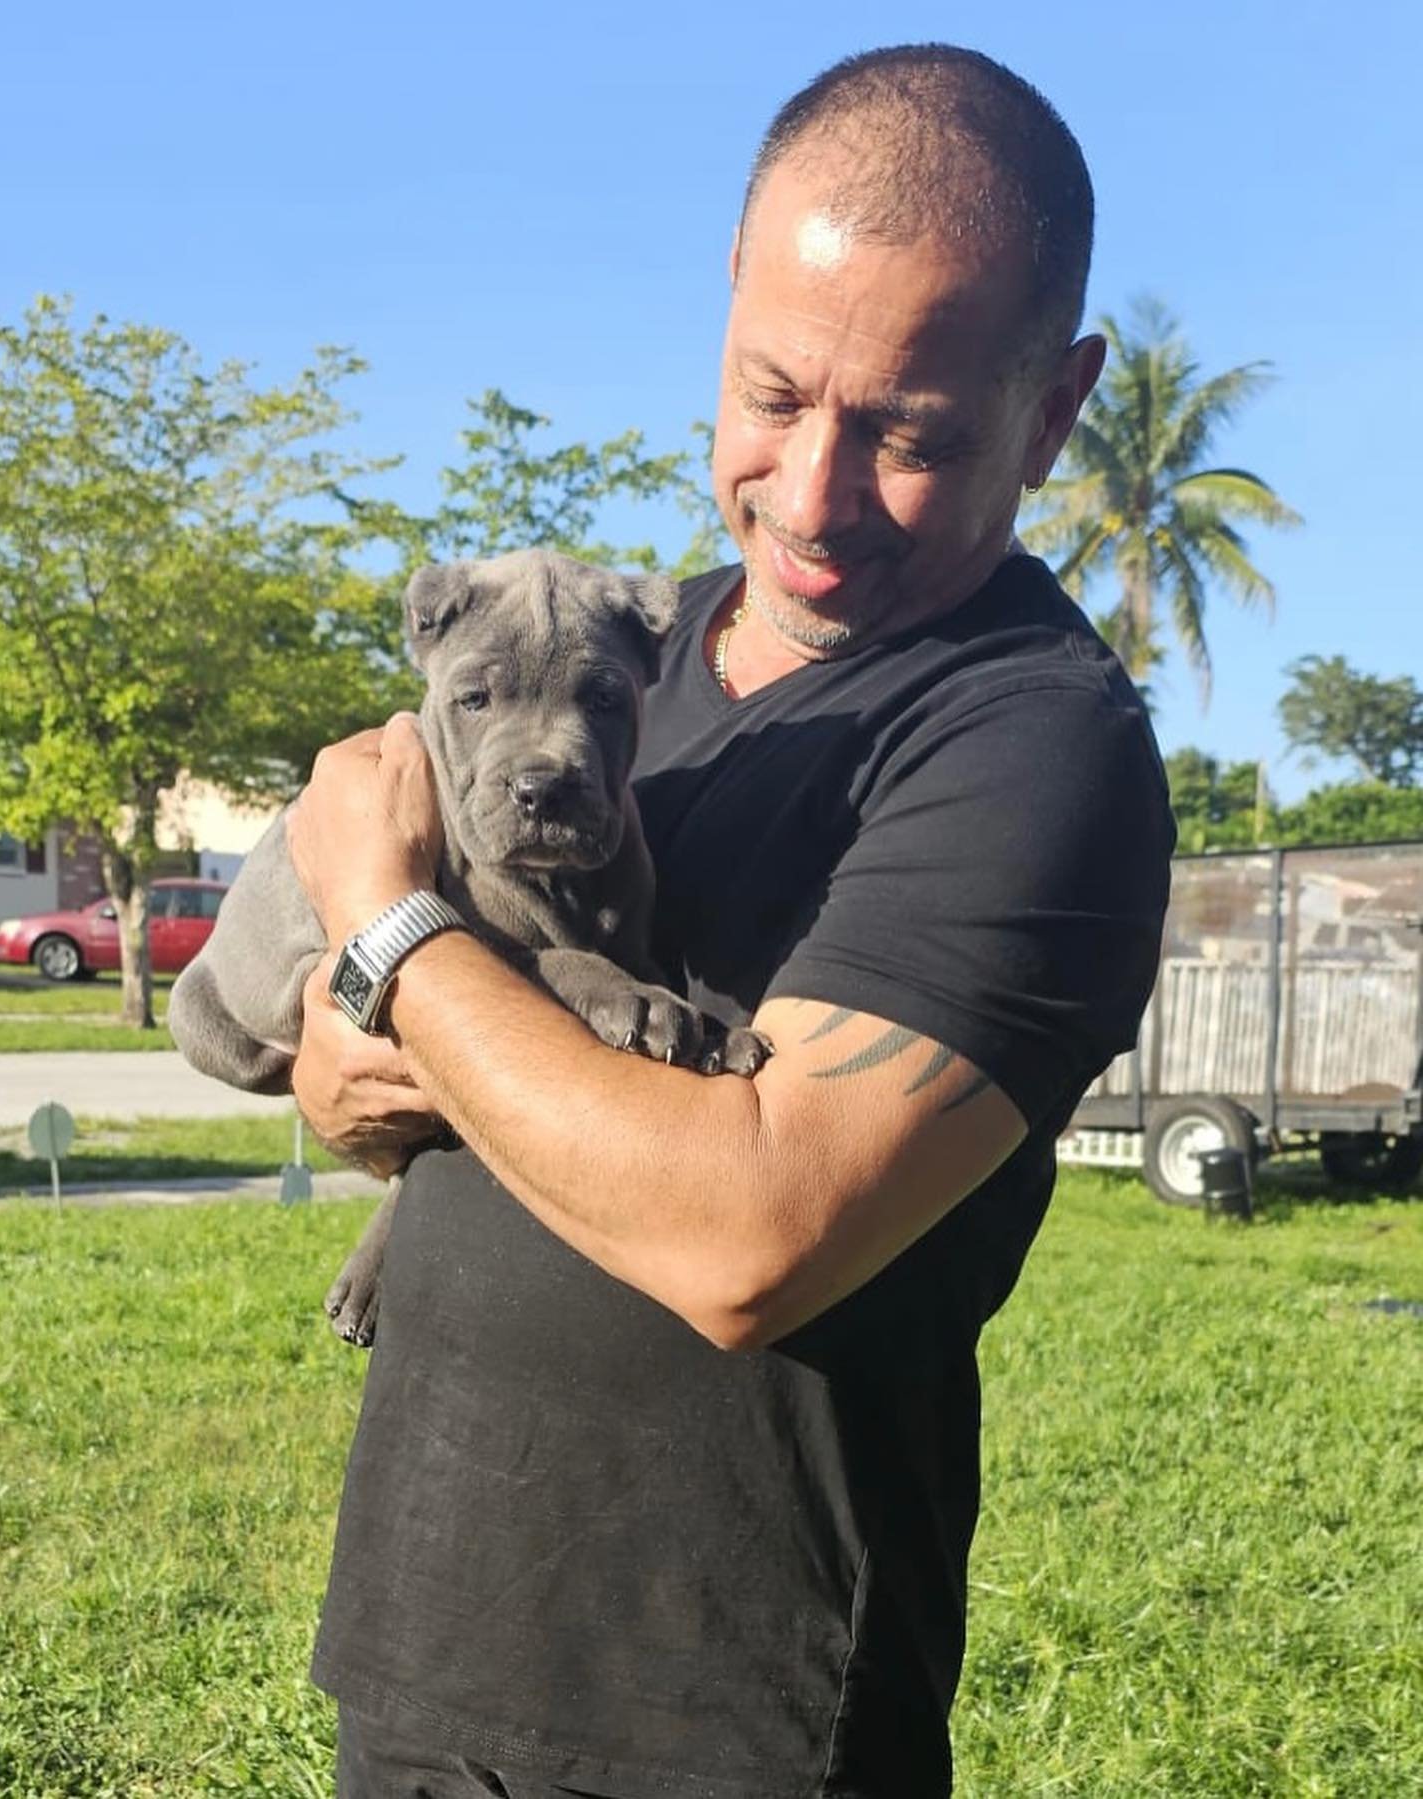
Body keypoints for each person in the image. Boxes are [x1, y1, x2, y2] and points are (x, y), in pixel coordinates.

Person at [288, 44, 1176, 1799]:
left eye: (910, 433)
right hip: (425, 1654)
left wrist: (390, 933)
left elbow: (748, 1236)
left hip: (720, 1723)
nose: (814, 494)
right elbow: (361, 1082)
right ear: (728, 305)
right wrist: (361, 1043)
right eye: (774, 394)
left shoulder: (1035, 744)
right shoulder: (620, 650)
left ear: (1057, 405)